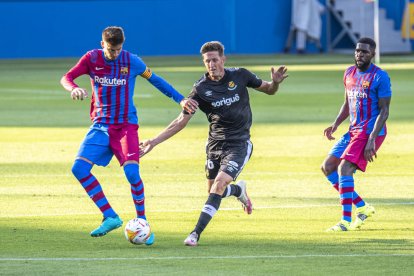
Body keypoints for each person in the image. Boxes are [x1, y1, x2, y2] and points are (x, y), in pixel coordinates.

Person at [140, 41, 288, 246]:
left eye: (215, 60)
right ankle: (238, 191)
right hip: (214, 145)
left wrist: (276, 83)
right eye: (207, 61)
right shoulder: (200, 88)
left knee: (218, 185)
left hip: (239, 144)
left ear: (223, 59)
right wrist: (154, 142)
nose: (211, 64)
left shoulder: (241, 75)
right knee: (213, 191)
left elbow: (269, 89)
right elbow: (181, 121)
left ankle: (195, 234)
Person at [60, 26, 198, 244]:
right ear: (102, 43)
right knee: (79, 168)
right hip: (101, 126)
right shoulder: (91, 58)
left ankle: (143, 224)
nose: (115, 54)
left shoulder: (132, 61)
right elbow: (67, 77)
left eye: (118, 49)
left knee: (132, 175)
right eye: (111, 50)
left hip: (125, 127)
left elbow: (156, 80)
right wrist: (73, 88)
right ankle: (110, 216)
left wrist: (180, 99)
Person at [321, 37, 392, 231]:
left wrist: (371, 140)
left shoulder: (380, 77)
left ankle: (345, 222)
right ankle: (363, 207)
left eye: (365, 52)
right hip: (353, 131)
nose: (360, 55)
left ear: (372, 54)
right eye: (358, 51)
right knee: (328, 167)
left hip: (370, 132)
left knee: (344, 168)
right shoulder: (349, 73)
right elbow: (348, 103)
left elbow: (384, 111)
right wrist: (335, 124)